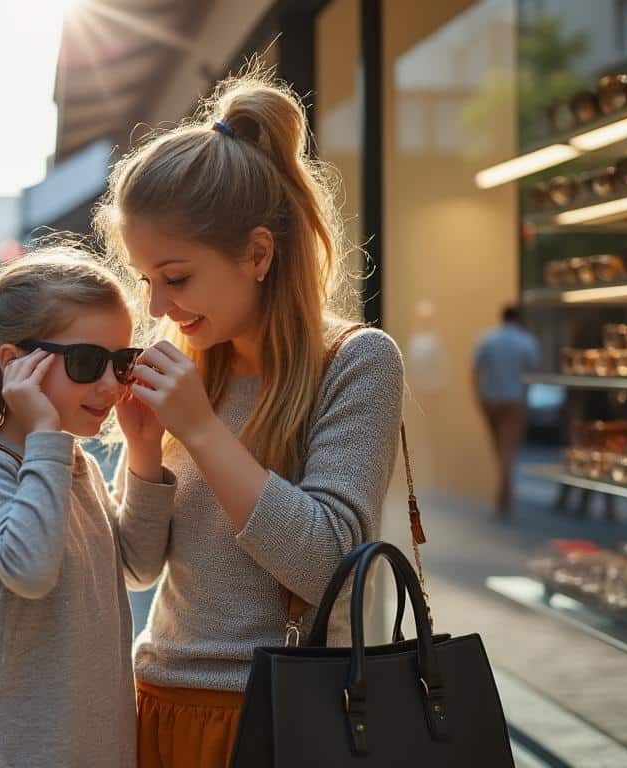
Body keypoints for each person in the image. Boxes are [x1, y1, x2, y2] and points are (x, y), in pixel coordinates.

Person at [91, 69, 405, 768]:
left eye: (176, 278)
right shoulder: (193, 364)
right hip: (160, 705)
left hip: (284, 718)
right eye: (147, 282)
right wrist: (144, 454)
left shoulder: (357, 363)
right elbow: (139, 570)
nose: (161, 310)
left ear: (258, 253)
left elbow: (330, 566)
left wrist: (202, 433)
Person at [0, 249, 176, 768]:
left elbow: (138, 567)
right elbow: (32, 570)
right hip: (11, 749)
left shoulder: (66, 460)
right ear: (16, 365)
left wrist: (145, 452)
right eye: (86, 363)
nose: (109, 384)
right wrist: (43, 435)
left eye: (121, 363)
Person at [471, 304, 541, 518]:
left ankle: (505, 498)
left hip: (491, 400)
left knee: (499, 449)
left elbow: (475, 371)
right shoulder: (526, 341)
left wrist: (479, 400)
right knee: (507, 451)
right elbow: (533, 370)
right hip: (514, 400)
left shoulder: (488, 339)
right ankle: (506, 498)